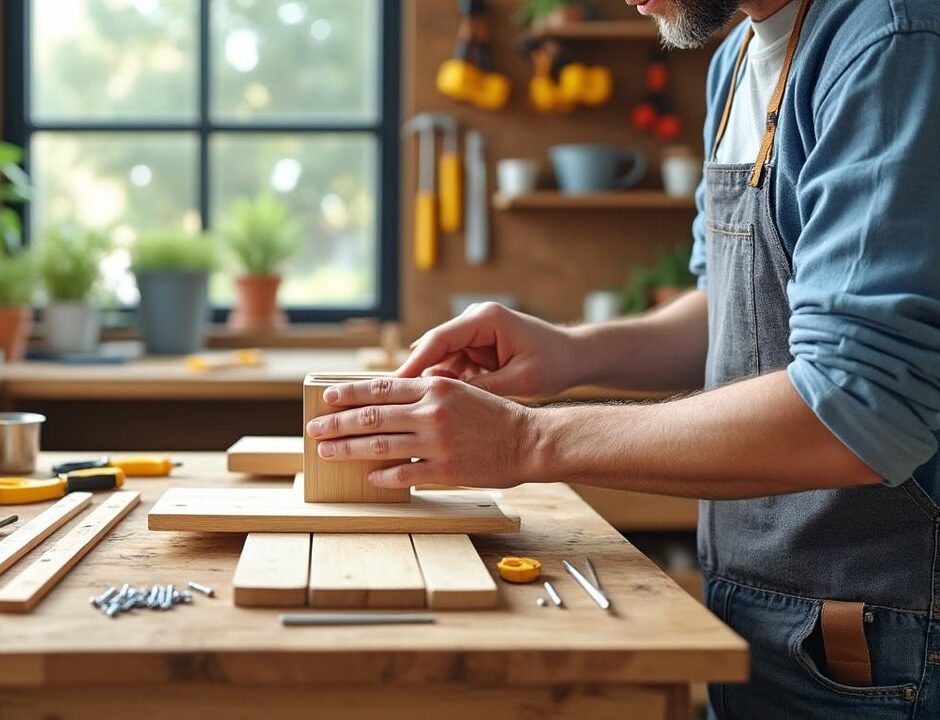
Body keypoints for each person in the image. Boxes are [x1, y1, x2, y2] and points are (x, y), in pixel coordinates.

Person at [306, 0, 940, 716]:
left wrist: (525, 439)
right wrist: (571, 352)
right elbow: (735, 315)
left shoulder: (888, 44)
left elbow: (854, 409)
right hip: (758, 606)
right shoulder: (737, 61)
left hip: (879, 637)